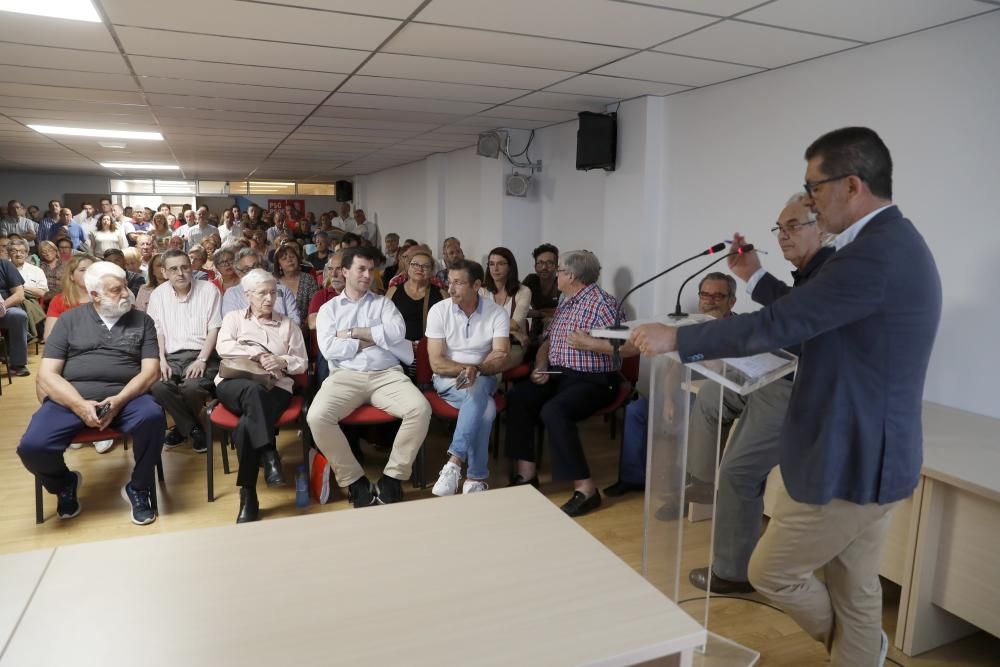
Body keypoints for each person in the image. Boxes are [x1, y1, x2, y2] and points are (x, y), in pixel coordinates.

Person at [629, 127, 942, 667]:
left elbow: (783, 323)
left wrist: (680, 338)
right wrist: (753, 276)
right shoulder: (884, 245)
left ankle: (854, 649)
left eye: (814, 188)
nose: (813, 202)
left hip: (855, 458)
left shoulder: (875, 254)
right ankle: (860, 654)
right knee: (855, 586)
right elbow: (806, 320)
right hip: (875, 454)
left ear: (850, 184)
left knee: (771, 572)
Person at [682, 195, 836, 596]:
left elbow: (803, 315)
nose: (782, 235)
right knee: (712, 395)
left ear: (823, 228)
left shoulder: (836, 271)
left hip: (800, 388)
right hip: (779, 369)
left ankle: (732, 573)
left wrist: (753, 277)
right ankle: (699, 480)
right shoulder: (810, 271)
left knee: (738, 473)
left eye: (792, 226)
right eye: (778, 228)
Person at [17, 261, 165, 525]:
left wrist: (119, 401)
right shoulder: (69, 321)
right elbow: (47, 374)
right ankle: (64, 483)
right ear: (95, 295)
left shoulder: (142, 321)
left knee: (153, 416)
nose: (125, 295)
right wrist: (79, 405)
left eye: (125, 289)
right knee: (32, 447)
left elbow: (150, 371)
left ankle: (139, 487)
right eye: (115, 290)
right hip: (72, 398)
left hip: (126, 396)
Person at [505, 250, 636, 517]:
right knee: (520, 396)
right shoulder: (567, 300)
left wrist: (590, 343)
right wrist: (541, 365)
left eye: (560, 270)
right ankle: (526, 475)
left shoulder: (604, 305)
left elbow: (629, 347)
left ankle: (586, 489)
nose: (556, 274)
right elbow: (549, 341)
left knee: (554, 410)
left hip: (596, 380)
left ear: (572, 276)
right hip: (559, 374)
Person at [306, 246, 431, 508]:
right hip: (345, 376)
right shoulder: (329, 309)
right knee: (316, 417)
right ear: (344, 271)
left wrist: (350, 333)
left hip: (386, 374)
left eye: (370, 269)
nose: (367, 274)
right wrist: (373, 338)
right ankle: (353, 479)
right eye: (360, 269)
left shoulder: (384, 303)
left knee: (420, 409)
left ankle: (393, 477)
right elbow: (329, 348)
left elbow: (397, 334)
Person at [215, 269, 308, 523]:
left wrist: (280, 359)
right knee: (253, 391)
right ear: (247, 295)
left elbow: (302, 363)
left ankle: (248, 494)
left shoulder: (288, 324)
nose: (269, 298)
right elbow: (222, 347)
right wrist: (257, 353)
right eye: (262, 293)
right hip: (234, 383)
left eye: (273, 292)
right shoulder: (234, 318)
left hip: (276, 386)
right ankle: (269, 453)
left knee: (247, 423)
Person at [428, 260, 510, 496]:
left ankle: (454, 463)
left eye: (458, 283)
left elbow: (501, 355)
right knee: (486, 408)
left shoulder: (497, 313)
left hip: (483, 376)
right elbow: (436, 362)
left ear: (476, 285)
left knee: (478, 387)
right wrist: (467, 368)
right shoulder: (439, 311)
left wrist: (478, 369)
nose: (451, 289)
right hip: (447, 379)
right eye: (449, 282)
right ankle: (476, 478)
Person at [147, 249, 222, 454]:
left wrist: (201, 359)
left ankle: (183, 428)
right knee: (158, 386)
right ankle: (193, 428)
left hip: (204, 355)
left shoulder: (209, 290)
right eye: (173, 269)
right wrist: (161, 359)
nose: (180, 273)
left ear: (191, 268)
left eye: (184, 267)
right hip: (171, 356)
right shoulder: (158, 295)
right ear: (164, 272)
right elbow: (158, 331)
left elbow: (214, 328)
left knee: (191, 388)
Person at [384, 248, 446, 379]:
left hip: (429, 352)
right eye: (415, 264)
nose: (420, 269)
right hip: (398, 352)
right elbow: (383, 323)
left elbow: (449, 326)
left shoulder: (441, 294)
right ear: (408, 267)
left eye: (425, 266)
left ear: (432, 271)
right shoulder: (393, 291)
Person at [481, 246, 532, 370]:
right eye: (491, 264)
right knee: (472, 363)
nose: (495, 268)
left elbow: (515, 324)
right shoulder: (482, 291)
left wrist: (488, 322)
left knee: (493, 365)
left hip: (513, 344)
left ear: (510, 266)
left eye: (501, 264)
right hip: (485, 344)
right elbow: (476, 322)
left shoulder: (523, 291)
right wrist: (515, 332)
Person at [221, 248, 299, 322]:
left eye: (256, 266)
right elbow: (231, 323)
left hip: (283, 335)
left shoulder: (282, 290)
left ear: (262, 267)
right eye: (247, 269)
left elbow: (295, 321)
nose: (253, 271)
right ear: (239, 273)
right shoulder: (232, 294)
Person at [8, 239, 48, 341]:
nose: (18, 254)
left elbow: (42, 292)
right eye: (14, 251)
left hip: (29, 301)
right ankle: (27, 333)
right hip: (7, 300)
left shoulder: (36, 270)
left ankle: (23, 333)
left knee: (21, 300)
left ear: (27, 254)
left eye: (22, 251)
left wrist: (20, 288)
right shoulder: (3, 268)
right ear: (9, 253)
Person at [522, 243, 561, 346]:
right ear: (535, 266)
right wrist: (541, 313)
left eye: (549, 263)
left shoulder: (561, 282)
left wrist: (536, 312)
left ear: (557, 266)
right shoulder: (531, 280)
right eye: (540, 263)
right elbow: (517, 309)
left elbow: (567, 313)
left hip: (558, 330)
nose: (544, 267)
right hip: (536, 329)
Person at [0, 252, 30, 376]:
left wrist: (2, 306)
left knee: (18, 316)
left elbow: (19, 294)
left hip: (5, 307)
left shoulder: (4, 265)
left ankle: (18, 364)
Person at [274, 243, 317, 325]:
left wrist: (303, 328)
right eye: (284, 258)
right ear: (279, 265)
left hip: (305, 328)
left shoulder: (308, 279)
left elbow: (314, 308)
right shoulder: (274, 283)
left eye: (292, 257)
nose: (289, 260)